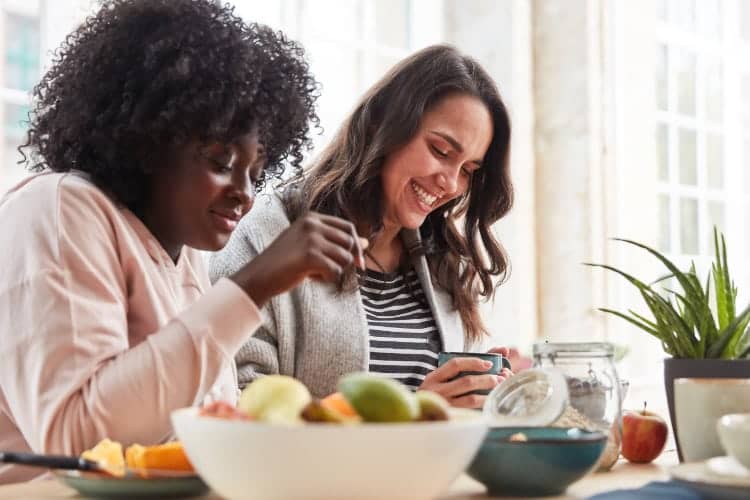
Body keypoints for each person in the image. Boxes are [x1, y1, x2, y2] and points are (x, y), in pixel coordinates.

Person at [0, 0, 365, 484]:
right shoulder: (60, 208)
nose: (245, 194)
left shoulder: (183, 248)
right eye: (220, 161)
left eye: (256, 173)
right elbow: (78, 445)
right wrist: (251, 286)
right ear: (146, 142)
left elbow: (190, 428)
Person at [210, 44, 514, 408]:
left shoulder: (442, 259)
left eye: (468, 171)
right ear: (382, 125)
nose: (450, 183)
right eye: (441, 151)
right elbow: (237, 402)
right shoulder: (268, 236)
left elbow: (442, 410)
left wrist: (481, 386)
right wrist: (411, 414)